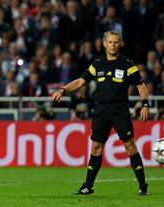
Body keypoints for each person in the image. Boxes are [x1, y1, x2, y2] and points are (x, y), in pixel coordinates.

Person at [52, 31, 150, 196]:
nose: (113, 45)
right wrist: (63, 90)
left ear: (120, 44)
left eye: (116, 42)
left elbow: (141, 85)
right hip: (101, 110)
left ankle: (143, 186)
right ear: (104, 44)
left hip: (119, 110)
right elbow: (81, 81)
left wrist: (145, 105)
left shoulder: (128, 64)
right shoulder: (97, 65)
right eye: (110, 42)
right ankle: (88, 186)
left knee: (129, 146)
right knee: (96, 148)